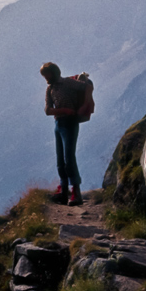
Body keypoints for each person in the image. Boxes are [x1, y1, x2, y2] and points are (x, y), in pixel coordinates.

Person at [40, 62, 94, 206]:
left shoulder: (68, 83)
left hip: (70, 123)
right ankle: (64, 192)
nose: (45, 78)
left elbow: (87, 87)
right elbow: (47, 110)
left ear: (54, 72)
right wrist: (64, 110)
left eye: (47, 74)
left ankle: (76, 192)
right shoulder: (50, 89)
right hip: (59, 124)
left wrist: (84, 106)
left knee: (69, 158)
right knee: (60, 161)